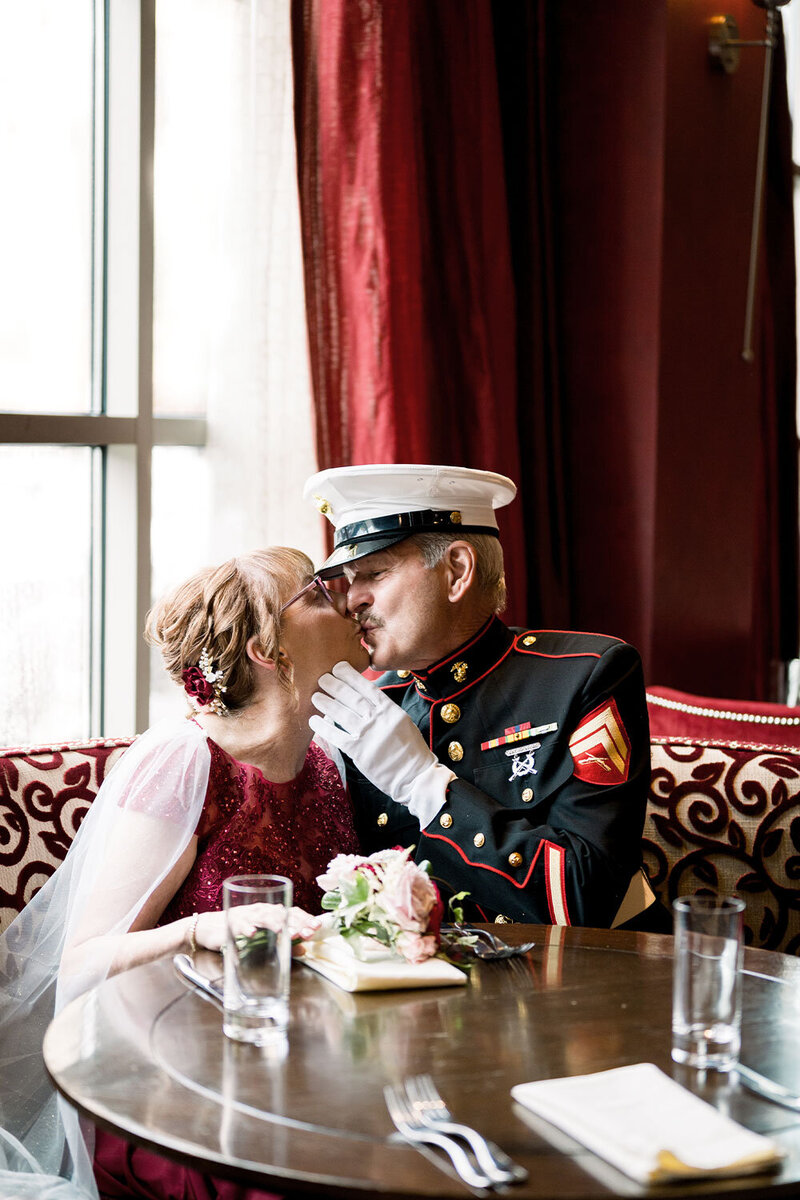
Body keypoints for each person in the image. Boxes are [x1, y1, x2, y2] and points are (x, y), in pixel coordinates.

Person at [0, 547, 371, 1200]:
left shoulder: (329, 762)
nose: (346, 598)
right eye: (315, 593)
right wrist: (203, 930)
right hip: (176, 1095)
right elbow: (83, 963)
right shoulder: (187, 764)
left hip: (299, 1074)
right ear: (266, 648)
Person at [304, 463, 664, 931]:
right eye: (350, 580)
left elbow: (583, 898)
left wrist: (424, 785)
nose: (353, 600)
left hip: (588, 981)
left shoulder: (586, 674)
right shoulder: (372, 707)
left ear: (456, 570)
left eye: (373, 572)